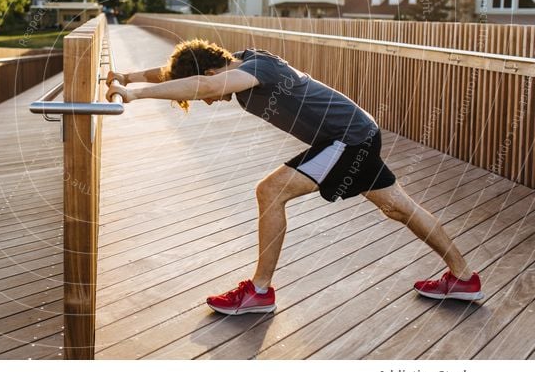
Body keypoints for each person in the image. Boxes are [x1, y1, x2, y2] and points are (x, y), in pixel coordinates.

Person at [106, 39, 483, 316]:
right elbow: (183, 76)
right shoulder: (242, 62)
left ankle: (258, 291)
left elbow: (203, 86)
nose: (204, 100)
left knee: (270, 192)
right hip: (355, 133)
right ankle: (464, 277)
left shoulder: (257, 69)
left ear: (209, 71)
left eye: (202, 90)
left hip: (347, 139)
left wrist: (137, 94)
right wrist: (128, 75)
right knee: (397, 207)